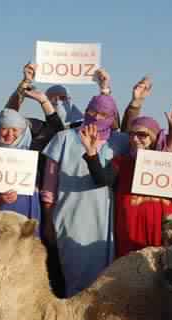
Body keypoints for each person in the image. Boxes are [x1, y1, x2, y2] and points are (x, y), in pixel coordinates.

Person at [41, 91, 127, 297]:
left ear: (112, 117)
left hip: (106, 221)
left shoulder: (121, 142)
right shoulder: (63, 139)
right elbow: (48, 189)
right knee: (74, 279)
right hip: (70, 217)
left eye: (103, 114)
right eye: (92, 111)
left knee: (103, 283)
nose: (96, 117)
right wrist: (48, 221)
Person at [80, 116, 172, 258]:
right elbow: (101, 179)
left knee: (171, 266)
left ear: (153, 137)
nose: (135, 139)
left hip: (167, 229)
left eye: (142, 135)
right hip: (132, 231)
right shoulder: (122, 162)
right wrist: (91, 153)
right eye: (131, 134)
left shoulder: (169, 161)